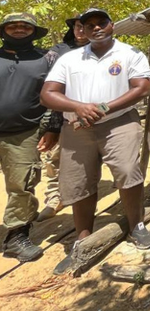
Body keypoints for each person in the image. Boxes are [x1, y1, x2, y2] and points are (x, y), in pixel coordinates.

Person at [41, 8, 150, 273]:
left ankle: (136, 224)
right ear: (81, 29)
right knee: (78, 181)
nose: (95, 28)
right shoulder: (69, 59)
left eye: (101, 22)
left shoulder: (130, 54)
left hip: (119, 122)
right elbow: (48, 94)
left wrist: (103, 108)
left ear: (111, 25)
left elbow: (142, 88)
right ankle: (83, 237)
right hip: (77, 126)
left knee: (127, 172)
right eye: (88, 24)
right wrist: (79, 107)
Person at [0, 13, 62, 262]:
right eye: (12, 26)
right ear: (4, 31)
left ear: (33, 32)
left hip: (24, 133)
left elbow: (57, 94)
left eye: (24, 26)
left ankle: (16, 236)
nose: (18, 29)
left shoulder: (46, 59)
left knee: (22, 185)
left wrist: (54, 128)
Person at [38, 15, 89, 222]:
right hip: (58, 112)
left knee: (86, 155)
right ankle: (54, 197)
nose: (80, 30)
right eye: (78, 26)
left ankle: (82, 193)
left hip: (92, 111)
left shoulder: (101, 50)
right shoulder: (59, 51)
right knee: (53, 156)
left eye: (84, 27)